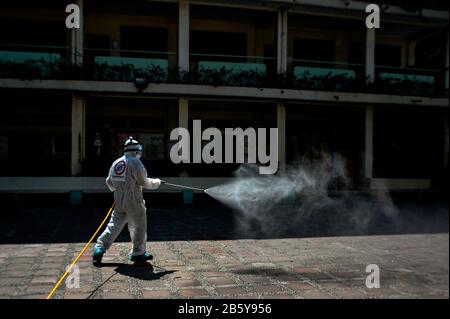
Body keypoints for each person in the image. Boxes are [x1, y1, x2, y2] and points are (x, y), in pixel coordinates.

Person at [93, 137, 163, 264]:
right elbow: (144, 182)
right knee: (139, 225)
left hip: (118, 198)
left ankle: (99, 247)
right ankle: (138, 252)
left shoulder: (117, 162)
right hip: (133, 198)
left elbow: (109, 181)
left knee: (114, 224)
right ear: (136, 151)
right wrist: (157, 182)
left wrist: (119, 191)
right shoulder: (135, 162)